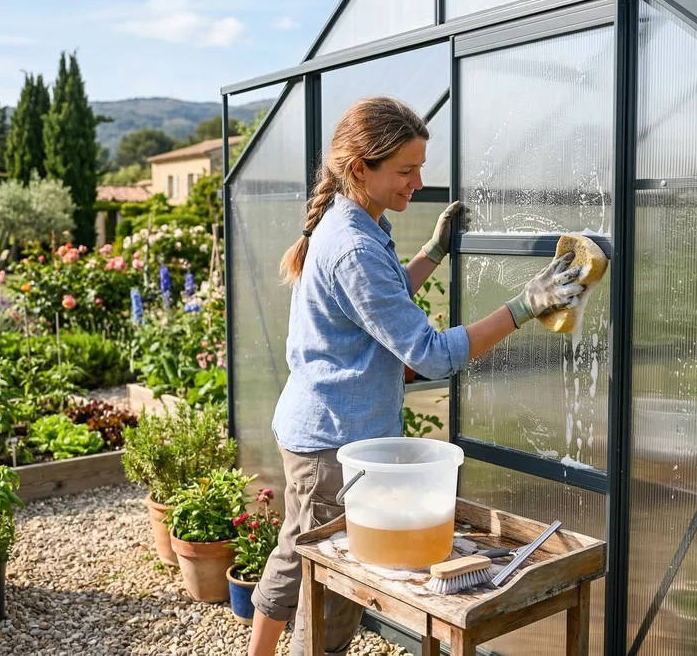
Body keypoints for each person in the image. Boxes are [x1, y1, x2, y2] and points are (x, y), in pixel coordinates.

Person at [246, 96, 585, 656]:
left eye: (420, 166)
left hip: (315, 432)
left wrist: (430, 253)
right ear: (361, 169)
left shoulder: (351, 220)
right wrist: (527, 305)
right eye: (405, 170)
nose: (417, 181)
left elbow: (375, 302)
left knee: (292, 550)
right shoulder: (354, 243)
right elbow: (429, 354)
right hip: (336, 448)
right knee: (328, 599)